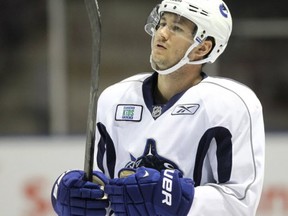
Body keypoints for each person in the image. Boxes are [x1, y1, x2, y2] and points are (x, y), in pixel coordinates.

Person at [51, 0, 265, 215]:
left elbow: (240, 203)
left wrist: (179, 198)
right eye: (162, 23)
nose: (161, 33)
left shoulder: (231, 105)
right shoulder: (114, 99)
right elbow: (106, 189)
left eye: (176, 28)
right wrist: (81, 197)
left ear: (203, 47)